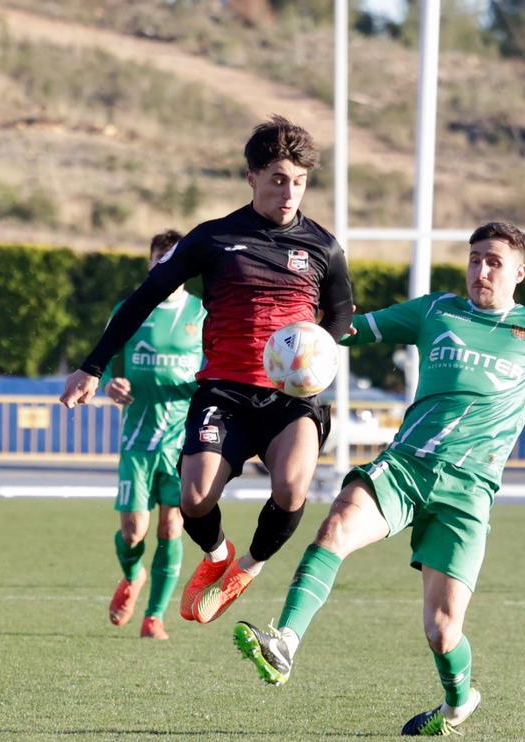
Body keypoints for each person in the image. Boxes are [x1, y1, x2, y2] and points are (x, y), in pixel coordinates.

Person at [231, 222, 525, 736]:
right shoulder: (436, 311)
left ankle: (457, 704)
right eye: (475, 259)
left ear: (519, 272)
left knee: (441, 630)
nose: (481, 270)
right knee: (336, 526)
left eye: (494, 262)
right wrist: (297, 328)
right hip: (406, 466)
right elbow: (348, 329)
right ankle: (286, 643)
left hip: (469, 491)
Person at [61, 115, 354, 626]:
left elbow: (342, 311)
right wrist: (92, 366)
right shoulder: (213, 238)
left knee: (290, 488)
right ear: (252, 176)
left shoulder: (323, 246)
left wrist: (318, 350)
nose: (290, 193)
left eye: (300, 182)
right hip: (225, 392)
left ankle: (247, 567)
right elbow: (143, 299)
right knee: (195, 498)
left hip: (291, 398)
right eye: (279, 179)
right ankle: (217, 555)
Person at [103, 229, 205, 640]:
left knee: (171, 528)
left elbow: (215, 365)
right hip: (137, 439)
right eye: (159, 258)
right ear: (149, 263)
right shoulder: (128, 309)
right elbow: (109, 358)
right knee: (134, 530)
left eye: (174, 258)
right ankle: (132, 574)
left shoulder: (201, 314)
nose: (166, 265)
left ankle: (154, 617)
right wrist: (111, 383)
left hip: (182, 441)